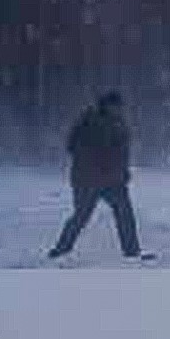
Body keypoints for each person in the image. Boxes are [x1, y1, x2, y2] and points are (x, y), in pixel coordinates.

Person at [47, 91, 142, 259]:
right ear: (106, 106)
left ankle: (132, 251)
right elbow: (73, 146)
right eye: (116, 106)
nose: (119, 110)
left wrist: (123, 172)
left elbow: (122, 153)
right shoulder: (89, 121)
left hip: (113, 181)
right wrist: (94, 165)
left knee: (125, 213)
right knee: (82, 215)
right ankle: (61, 249)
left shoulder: (120, 124)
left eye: (120, 107)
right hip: (87, 180)